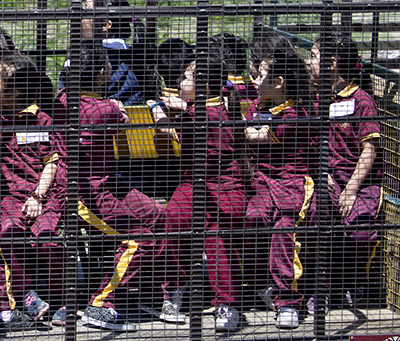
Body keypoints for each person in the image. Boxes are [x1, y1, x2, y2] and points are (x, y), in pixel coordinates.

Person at [69, 41, 165, 332]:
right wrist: (114, 108)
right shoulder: (104, 109)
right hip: (84, 194)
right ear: (101, 74)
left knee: (158, 216)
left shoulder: (65, 99)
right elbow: (118, 119)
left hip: (110, 183)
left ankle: (147, 294)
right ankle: (101, 305)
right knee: (139, 239)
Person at [155, 54, 245, 332]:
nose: (180, 81)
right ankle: (175, 287)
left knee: (215, 237)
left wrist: (157, 110)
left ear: (204, 85)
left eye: (186, 77)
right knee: (174, 218)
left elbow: (169, 129)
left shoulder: (202, 113)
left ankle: (226, 303)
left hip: (224, 186)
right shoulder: (212, 105)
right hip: (193, 185)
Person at [0, 47, 64, 331]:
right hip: (6, 198)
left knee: (49, 239)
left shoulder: (41, 120)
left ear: (15, 93)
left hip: (42, 195)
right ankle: (25, 296)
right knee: (8, 233)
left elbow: (51, 162)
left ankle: (63, 300)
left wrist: (38, 196)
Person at [243, 33, 314, 330]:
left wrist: (229, 115)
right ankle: (263, 284)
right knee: (254, 217)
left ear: (280, 82)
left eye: (261, 76)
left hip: (293, 184)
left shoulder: (295, 114)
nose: (255, 82)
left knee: (285, 228)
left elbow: (253, 136)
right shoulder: (257, 108)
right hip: (262, 182)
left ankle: (288, 299)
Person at [307, 33, 381, 307]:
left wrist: (351, 190)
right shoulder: (315, 99)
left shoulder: (361, 101)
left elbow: (369, 149)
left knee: (360, 229)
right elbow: (309, 146)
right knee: (318, 214)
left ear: (332, 63)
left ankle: (353, 280)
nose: (309, 61)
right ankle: (321, 288)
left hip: (359, 184)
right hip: (327, 179)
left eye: (313, 56)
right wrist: (318, 173)